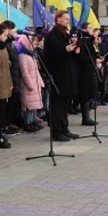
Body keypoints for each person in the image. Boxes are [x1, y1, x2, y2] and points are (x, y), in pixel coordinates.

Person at [43, 10, 80, 142]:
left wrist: (75, 50)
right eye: (65, 19)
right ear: (58, 19)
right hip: (58, 76)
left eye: (68, 19)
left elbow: (69, 55)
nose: (67, 21)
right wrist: (65, 50)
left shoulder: (66, 35)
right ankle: (56, 132)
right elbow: (50, 55)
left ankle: (65, 129)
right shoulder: (52, 36)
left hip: (67, 74)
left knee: (65, 105)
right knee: (57, 105)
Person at [17, 34, 45, 133]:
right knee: (29, 106)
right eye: (32, 42)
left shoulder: (30, 54)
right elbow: (24, 72)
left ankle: (32, 121)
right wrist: (30, 84)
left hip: (35, 82)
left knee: (34, 106)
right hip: (28, 85)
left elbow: (36, 71)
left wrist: (40, 82)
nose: (34, 44)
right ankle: (27, 123)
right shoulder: (22, 55)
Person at [76, 22, 101, 125]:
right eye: (90, 28)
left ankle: (87, 115)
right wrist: (94, 60)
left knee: (89, 93)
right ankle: (85, 117)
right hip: (84, 71)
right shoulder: (83, 42)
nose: (92, 29)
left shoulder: (90, 42)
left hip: (90, 70)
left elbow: (93, 54)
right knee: (84, 94)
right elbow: (82, 57)